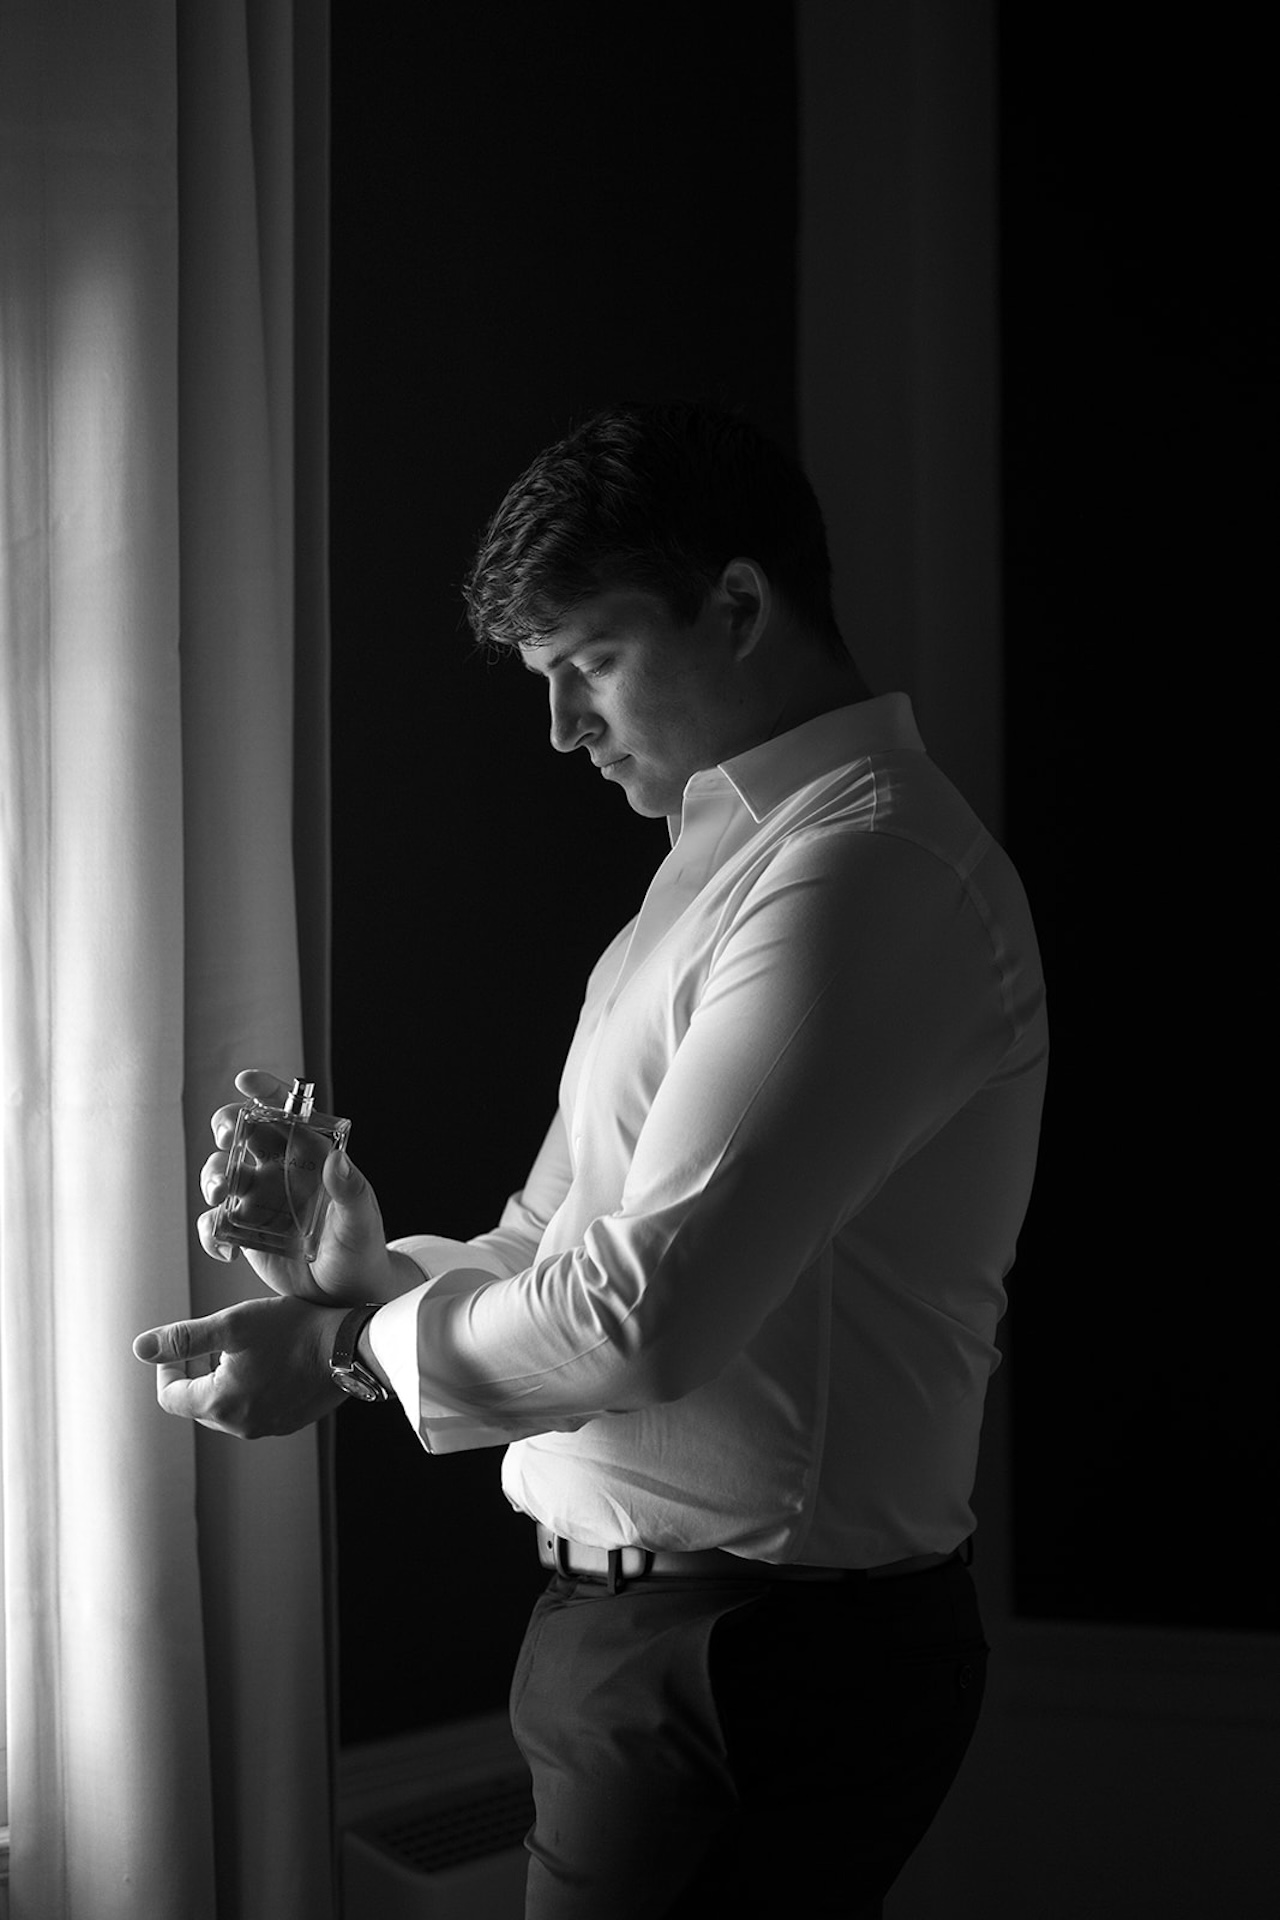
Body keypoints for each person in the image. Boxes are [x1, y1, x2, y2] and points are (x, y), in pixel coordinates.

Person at [135, 401, 1048, 1918]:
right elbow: (553, 1238)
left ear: (739, 604)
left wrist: (347, 1351)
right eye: (543, 679)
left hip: (749, 1658)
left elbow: (644, 1318)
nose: (563, 728)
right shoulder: (714, 878)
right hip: (667, 1645)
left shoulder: (866, 873)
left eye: (593, 663)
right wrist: (355, 1273)